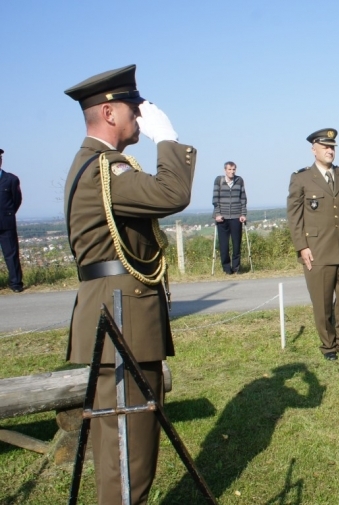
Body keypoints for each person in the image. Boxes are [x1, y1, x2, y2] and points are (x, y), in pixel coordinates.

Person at [63, 64, 195, 504]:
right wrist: (168, 137)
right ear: (108, 112)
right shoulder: (105, 170)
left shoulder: (99, 166)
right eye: (133, 109)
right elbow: (172, 195)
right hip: (123, 322)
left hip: (119, 317)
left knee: (121, 449)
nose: (140, 117)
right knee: (128, 456)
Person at [287, 128, 339, 361]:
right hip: (317, 250)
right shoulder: (301, 178)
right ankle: (328, 346)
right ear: (314, 150)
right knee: (322, 302)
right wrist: (302, 247)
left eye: (332, 147)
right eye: (325, 147)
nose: (330, 151)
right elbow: (295, 216)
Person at [212, 161, 247, 274]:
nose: (232, 172)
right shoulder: (219, 180)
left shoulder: (239, 180)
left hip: (236, 216)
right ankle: (227, 269)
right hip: (222, 217)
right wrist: (217, 214)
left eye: (233, 170)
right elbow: (215, 199)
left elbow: (243, 199)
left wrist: (243, 214)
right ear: (225, 170)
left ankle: (236, 268)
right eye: (229, 170)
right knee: (224, 245)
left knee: (236, 244)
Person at [0, 148, 24, 292]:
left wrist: (8, 214)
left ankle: (16, 284)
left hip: (6, 223)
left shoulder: (11, 179)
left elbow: (16, 200)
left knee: (11, 254)